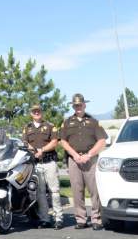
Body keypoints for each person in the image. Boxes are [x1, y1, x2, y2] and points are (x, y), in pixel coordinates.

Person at [59, 93, 107, 231]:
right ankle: (81, 219)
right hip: (74, 160)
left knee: (94, 190)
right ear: (73, 106)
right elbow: (63, 141)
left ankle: (96, 219)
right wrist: (74, 155)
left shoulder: (93, 121)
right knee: (77, 190)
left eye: (80, 104)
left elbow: (102, 141)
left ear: (84, 105)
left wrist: (89, 154)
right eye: (76, 105)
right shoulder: (67, 122)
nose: (78, 107)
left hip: (90, 159)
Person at [22, 104, 63, 230]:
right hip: (36, 164)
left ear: (42, 112)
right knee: (40, 193)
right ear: (31, 114)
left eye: (38, 111)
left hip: (49, 162)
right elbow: (24, 142)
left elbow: (55, 142)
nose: (36, 113)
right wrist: (32, 150)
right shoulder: (27, 128)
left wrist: (41, 150)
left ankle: (58, 218)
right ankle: (45, 219)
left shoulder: (50, 126)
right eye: (34, 112)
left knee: (54, 191)